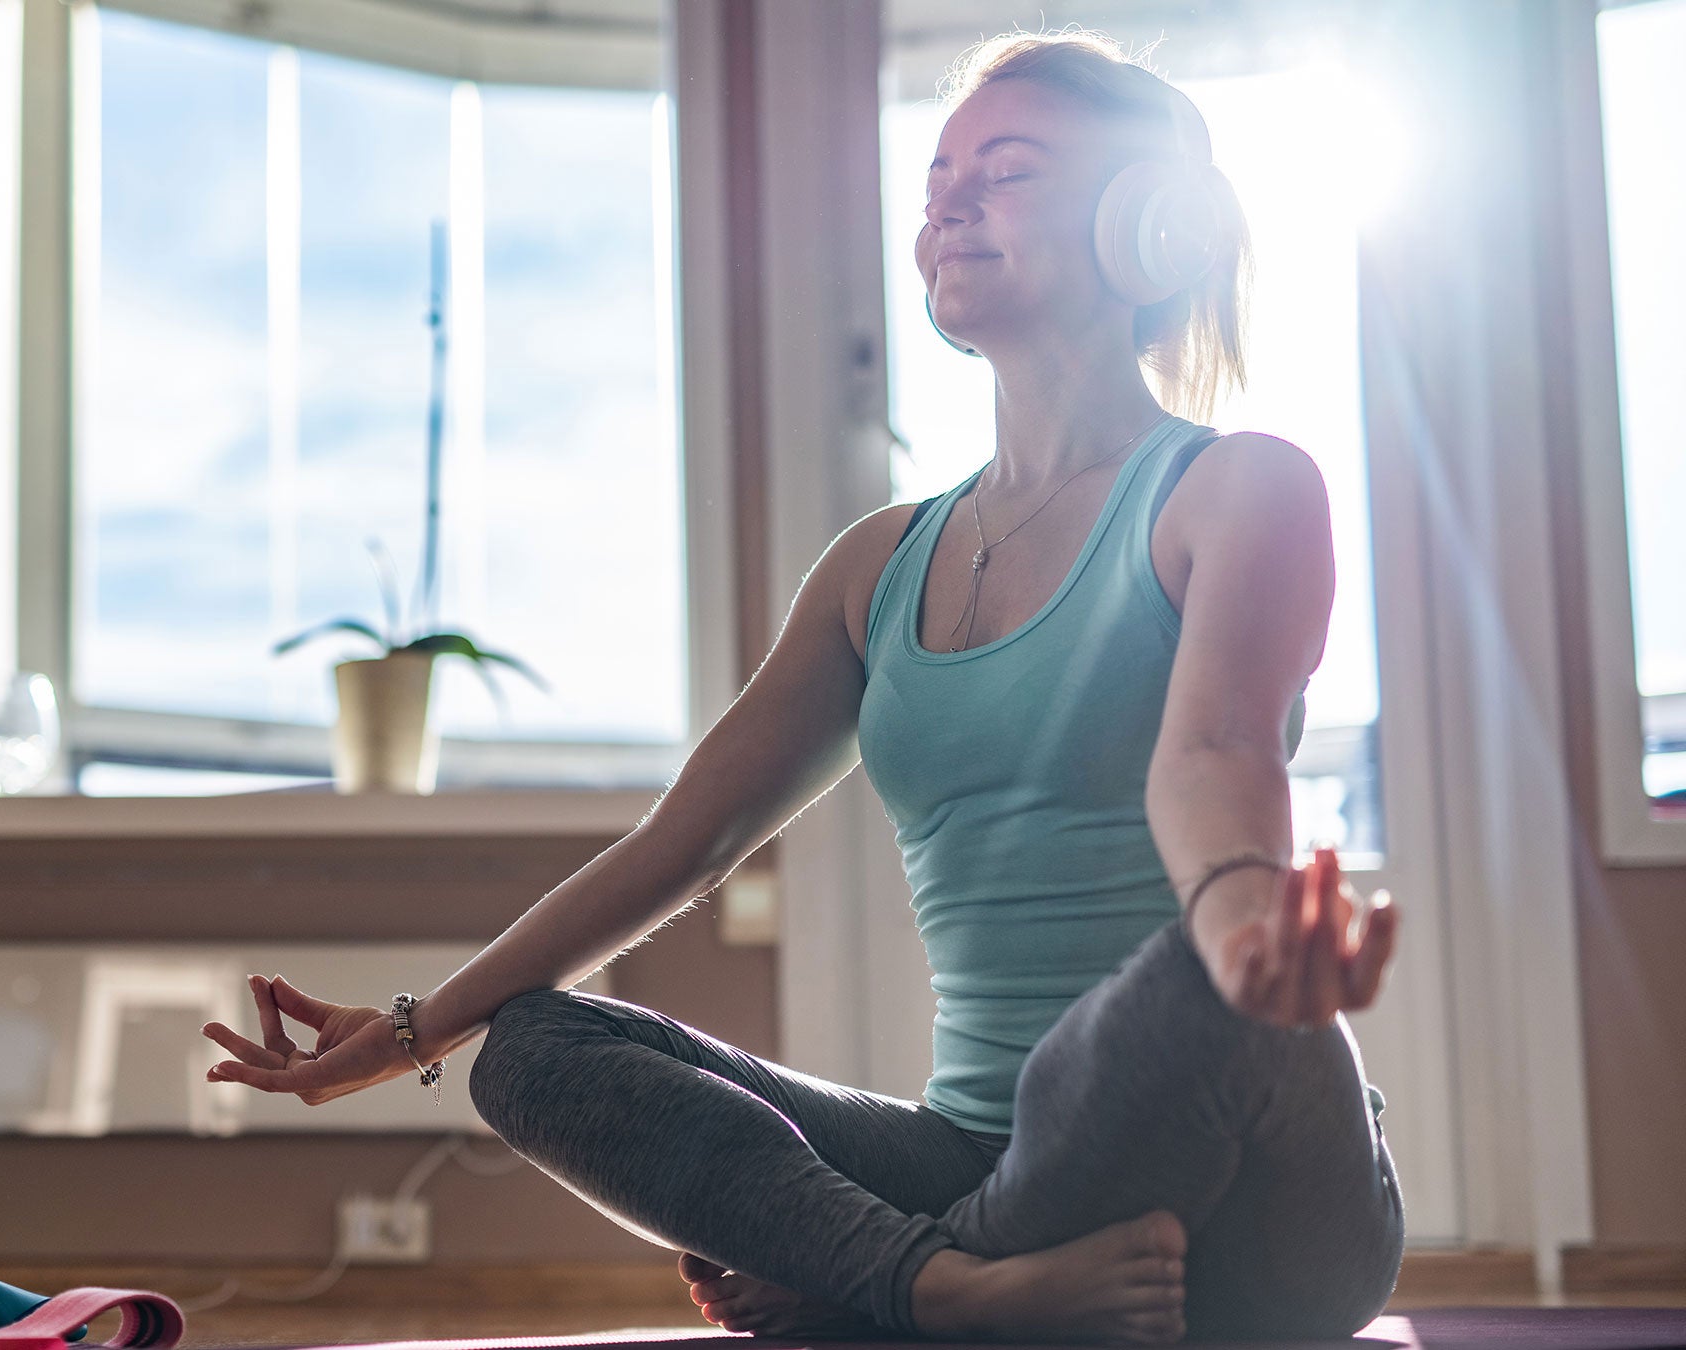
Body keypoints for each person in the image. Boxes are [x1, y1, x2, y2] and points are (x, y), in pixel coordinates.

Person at [199, 30, 1404, 1346]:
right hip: (986, 1170)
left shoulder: (1238, 488)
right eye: (940, 175)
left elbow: (1217, 750)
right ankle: (944, 1288)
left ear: (1146, 223)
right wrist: (405, 1029)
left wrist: (1241, 927)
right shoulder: (878, 567)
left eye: (1007, 171)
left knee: (1189, 994)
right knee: (535, 1047)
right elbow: (684, 840)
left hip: (1253, 1204)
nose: (947, 201)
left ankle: (874, 1283)